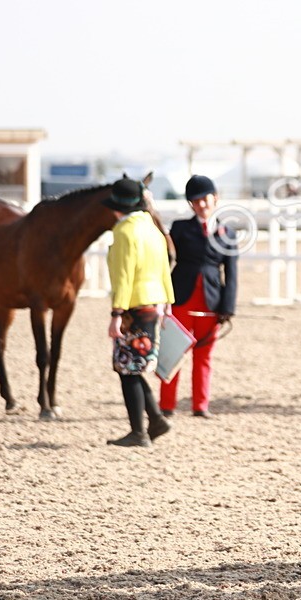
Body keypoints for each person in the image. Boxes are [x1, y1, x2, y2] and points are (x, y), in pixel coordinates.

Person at [104, 177, 175, 448]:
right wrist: (168, 300)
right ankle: (155, 419)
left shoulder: (124, 232)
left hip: (134, 306)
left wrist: (116, 313)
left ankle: (139, 432)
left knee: (128, 369)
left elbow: (124, 277)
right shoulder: (153, 229)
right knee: (135, 367)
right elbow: (165, 268)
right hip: (154, 304)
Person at [159, 175, 237, 419]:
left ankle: (201, 405)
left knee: (204, 355)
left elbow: (231, 273)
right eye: (195, 201)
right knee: (174, 351)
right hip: (180, 298)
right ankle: (166, 405)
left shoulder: (228, 233)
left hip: (212, 301)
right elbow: (165, 260)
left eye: (205, 199)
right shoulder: (180, 228)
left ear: (215, 198)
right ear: (190, 204)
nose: (201, 205)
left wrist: (228, 307)